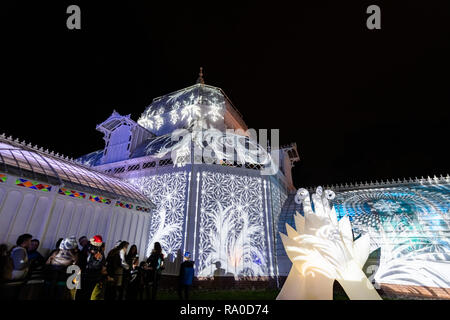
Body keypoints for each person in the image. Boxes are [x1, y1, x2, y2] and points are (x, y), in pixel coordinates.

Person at [76, 235, 105, 300]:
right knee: (87, 292)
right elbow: (101, 262)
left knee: (82, 292)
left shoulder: (90, 249)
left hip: (88, 274)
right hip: (91, 274)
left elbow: (84, 261)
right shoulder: (97, 250)